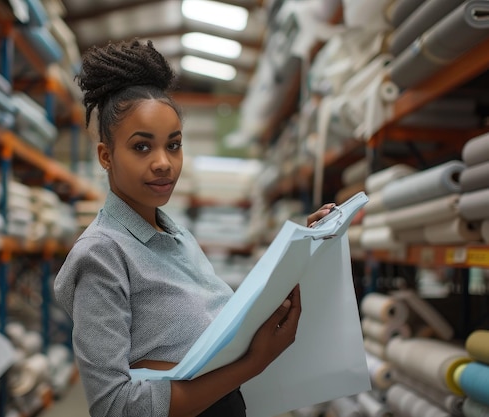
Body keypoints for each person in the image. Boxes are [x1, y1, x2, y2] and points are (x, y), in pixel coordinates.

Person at [54, 39, 334, 417]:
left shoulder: (176, 235)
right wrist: (251, 365)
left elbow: (218, 324)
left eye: (174, 145)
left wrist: (299, 249)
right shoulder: (103, 255)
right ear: (106, 156)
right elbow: (115, 406)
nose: (163, 163)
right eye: (141, 147)